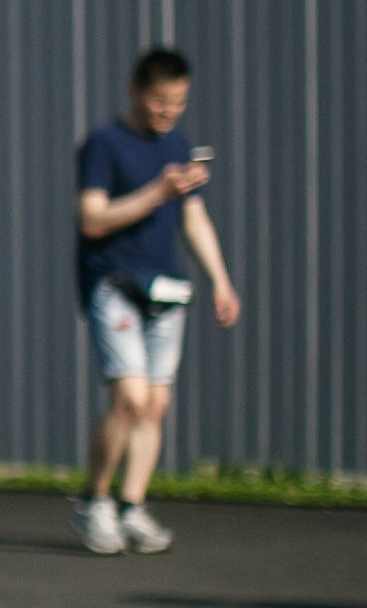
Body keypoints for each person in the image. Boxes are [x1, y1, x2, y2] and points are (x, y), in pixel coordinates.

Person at [72, 46, 241, 556]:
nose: (169, 111)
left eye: (179, 102)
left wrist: (222, 281)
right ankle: (93, 501)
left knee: (157, 404)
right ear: (137, 91)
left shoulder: (179, 145)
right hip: (115, 283)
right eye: (161, 101)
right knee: (130, 397)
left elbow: (194, 217)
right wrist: (156, 193)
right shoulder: (104, 144)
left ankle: (132, 504)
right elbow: (93, 218)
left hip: (166, 290)